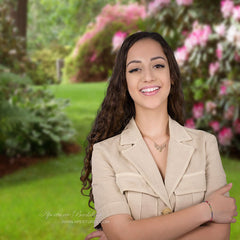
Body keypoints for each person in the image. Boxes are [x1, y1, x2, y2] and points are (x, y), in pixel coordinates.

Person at [81, 31, 237, 240]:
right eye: (135, 69)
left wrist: (132, 235)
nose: (148, 77)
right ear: (124, 82)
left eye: (158, 65)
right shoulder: (104, 154)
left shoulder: (205, 144)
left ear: (171, 75)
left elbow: (219, 235)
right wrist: (207, 210)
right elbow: (122, 235)